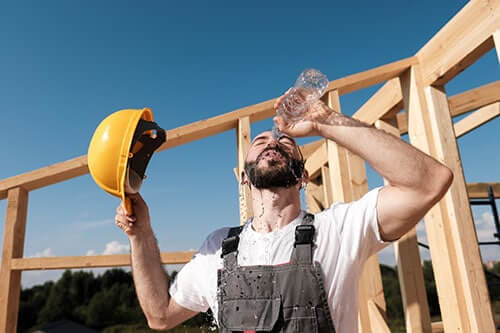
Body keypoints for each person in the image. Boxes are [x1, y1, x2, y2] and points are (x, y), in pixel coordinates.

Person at [114, 91, 453, 332]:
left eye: (284, 143)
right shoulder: (217, 248)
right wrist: (141, 235)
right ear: (244, 177)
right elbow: (160, 315)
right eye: (259, 142)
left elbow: (427, 183)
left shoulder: (338, 229)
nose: (273, 142)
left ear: (303, 176)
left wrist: (325, 121)